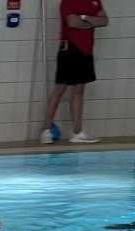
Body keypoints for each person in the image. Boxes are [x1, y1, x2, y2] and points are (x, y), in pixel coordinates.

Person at [40, 0, 109, 145]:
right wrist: (92, 20)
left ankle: (77, 132)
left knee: (79, 89)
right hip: (70, 48)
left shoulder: (95, 1)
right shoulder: (68, 1)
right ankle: (46, 130)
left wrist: (84, 17)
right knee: (60, 88)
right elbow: (72, 23)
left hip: (86, 51)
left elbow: (104, 21)